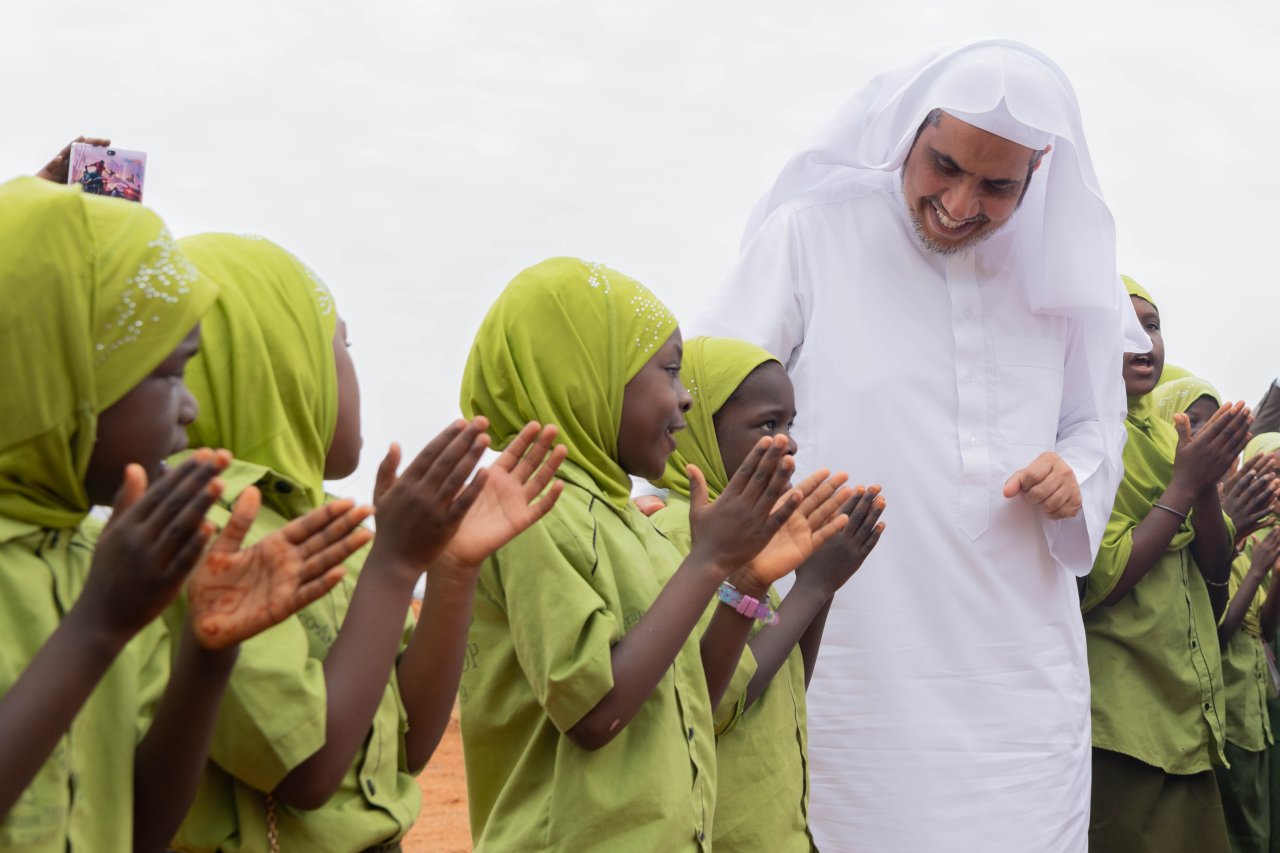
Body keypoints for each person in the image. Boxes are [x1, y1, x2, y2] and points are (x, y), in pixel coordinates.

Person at [693, 40, 1139, 850]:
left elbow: (1095, 424)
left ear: (1038, 170)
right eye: (944, 165)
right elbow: (713, 393)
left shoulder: (1067, 272)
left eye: (997, 186)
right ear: (912, 128)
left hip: (1016, 666)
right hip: (852, 644)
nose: (961, 203)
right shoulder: (811, 235)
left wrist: (1073, 473)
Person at [164, 234, 566, 852]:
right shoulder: (205, 529)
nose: (353, 371)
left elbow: (406, 745)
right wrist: (396, 562)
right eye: (342, 345)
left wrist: (453, 568)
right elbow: (309, 773)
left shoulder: (329, 524)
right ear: (277, 363)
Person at [0, 178, 367, 850]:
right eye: (169, 373)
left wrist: (205, 656)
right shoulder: (109, 585)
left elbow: (137, 827)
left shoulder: (99, 561)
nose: (190, 406)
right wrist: (95, 627)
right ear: (63, 373)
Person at [457, 257, 848, 850]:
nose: (684, 399)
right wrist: (714, 564)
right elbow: (595, 716)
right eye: (668, 371)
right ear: (586, 374)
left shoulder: (627, 524)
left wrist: (752, 579)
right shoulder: (532, 509)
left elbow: (700, 694)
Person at [647, 335, 885, 851]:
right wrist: (814, 586)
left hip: (777, 828)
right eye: (768, 424)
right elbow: (721, 700)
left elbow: (786, 680)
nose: (790, 443)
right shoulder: (676, 535)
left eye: (790, 424)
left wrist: (818, 581)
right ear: (702, 431)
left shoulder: (739, 537)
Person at [1082, 276, 1249, 853]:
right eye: (1122, 328)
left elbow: (1214, 570)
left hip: (1188, 711)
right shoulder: (1085, 438)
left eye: (1151, 326)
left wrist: (1204, 483)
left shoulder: (1160, 430)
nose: (1143, 342)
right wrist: (1184, 482)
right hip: (1122, 716)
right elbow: (1101, 579)